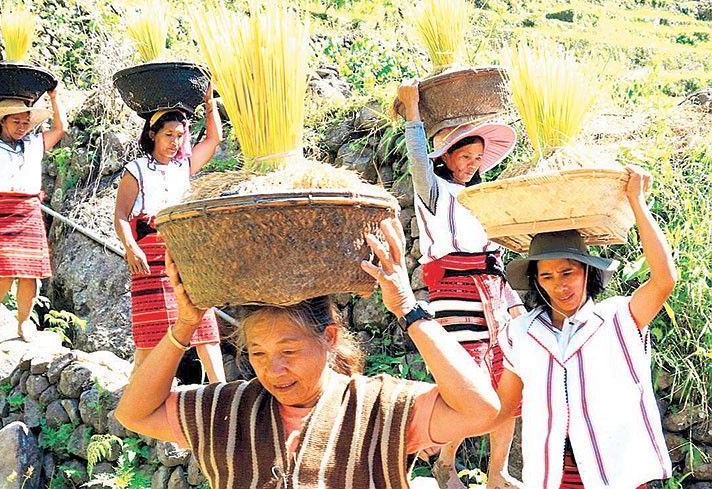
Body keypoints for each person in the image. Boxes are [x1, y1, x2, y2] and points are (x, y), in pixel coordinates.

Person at [115, 218, 502, 488]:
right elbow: (134, 412)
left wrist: (407, 308)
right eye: (258, 354)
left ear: (330, 337)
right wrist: (184, 328)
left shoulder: (379, 406)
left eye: (289, 350)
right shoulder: (228, 408)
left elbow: (481, 409)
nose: (274, 369)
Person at [494, 166, 676, 488]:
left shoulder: (619, 319)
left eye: (568, 273)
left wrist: (637, 202)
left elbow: (664, 280)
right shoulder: (520, 334)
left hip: (616, 475)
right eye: (546, 276)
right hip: (552, 477)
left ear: (587, 273)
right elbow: (504, 407)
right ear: (535, 281)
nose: (559, 286)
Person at [396, 80, 525, 488]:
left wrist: (514, 300)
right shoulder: (434, 192)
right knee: (465, 378)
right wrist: (413, 111)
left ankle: (498, 472)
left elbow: (496, 258)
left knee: (510, 377)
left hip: (494, 289)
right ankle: (446, 462)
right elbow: (418, 158)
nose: (471, 164)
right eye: (464, 156)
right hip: (454, 290)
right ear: (446, 156)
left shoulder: (480, 197)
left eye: (477, 158)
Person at [113, 85, 226, 380]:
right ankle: (136, 392)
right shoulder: (135, 170)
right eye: (168, 135)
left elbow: (214, 139)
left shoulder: (182, 168)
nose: (175, 142)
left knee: (205, 327)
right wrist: (130, 247)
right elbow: (122, 215)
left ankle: (221, 388)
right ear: (153, 134)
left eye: (179, 136)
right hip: (148, 257)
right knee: (150, 333)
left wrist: (208, 100)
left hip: (184, 254)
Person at [0, 87, 66, 341]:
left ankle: (23, 322)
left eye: (25, 122)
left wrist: (54, 97)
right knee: (5, 267)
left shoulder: (33, 144)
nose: (21, 127)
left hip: (28, 208)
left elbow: (61, 128)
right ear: (2, 121)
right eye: (16, 121)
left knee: (30, 271)